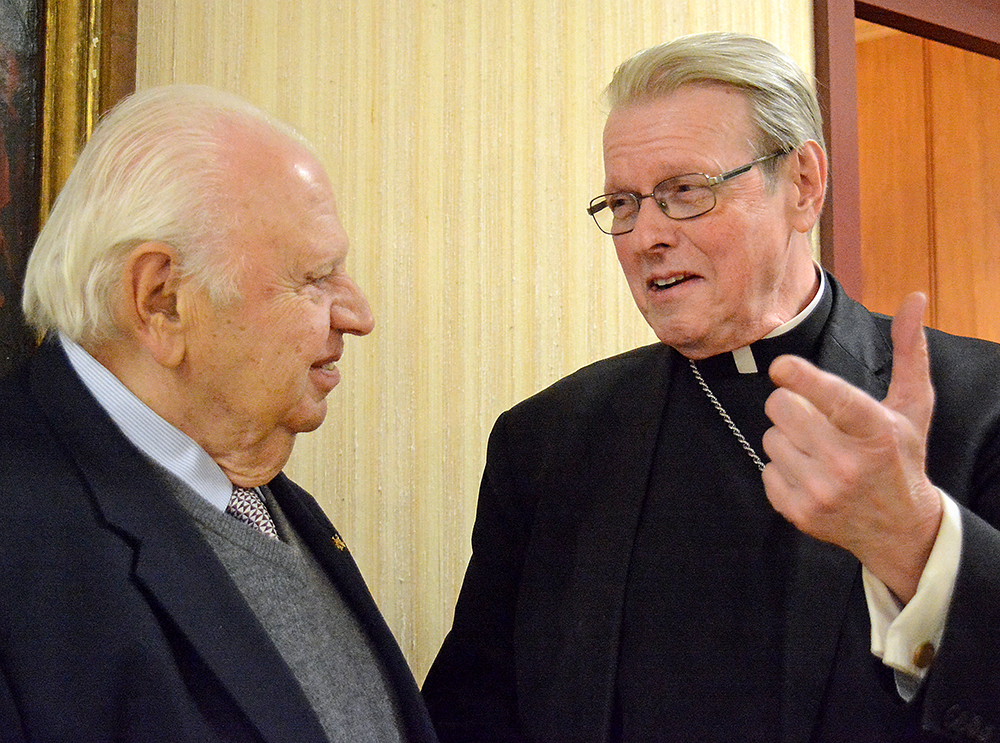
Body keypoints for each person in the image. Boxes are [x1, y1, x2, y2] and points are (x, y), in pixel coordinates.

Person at [422, 32, 1000, 743]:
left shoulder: (982, 404)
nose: (644, 237)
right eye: (623, 203)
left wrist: (916, 542)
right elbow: (471, 712)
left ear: (803, 184)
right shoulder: (547, 440)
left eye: (685, 192)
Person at [0, 84, 437, 742]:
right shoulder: (22, 538)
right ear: (163, 300)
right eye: (314, 278)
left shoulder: (256, 487)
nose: (358, 315)